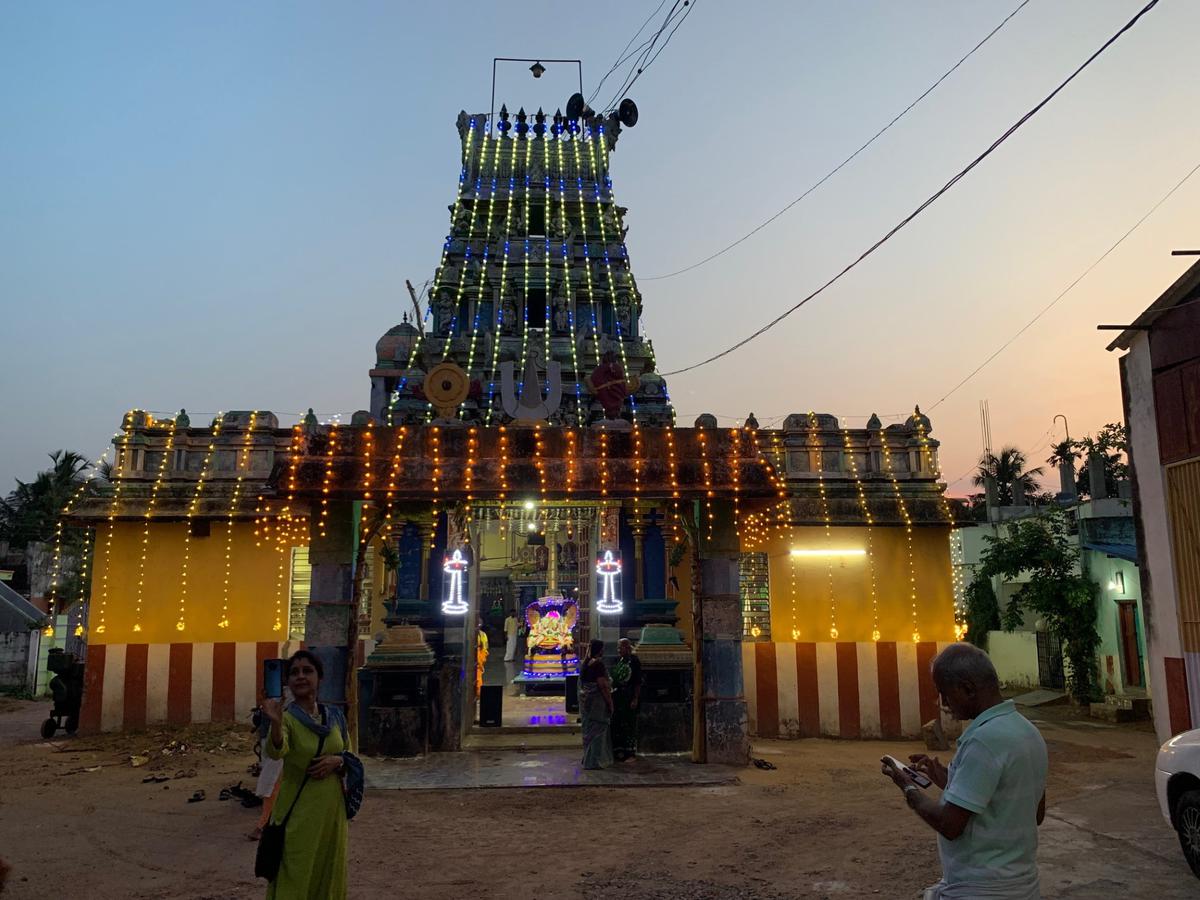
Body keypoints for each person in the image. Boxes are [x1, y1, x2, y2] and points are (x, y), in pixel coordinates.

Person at [881, 643, 1047, 900]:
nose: (943, 703)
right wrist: (947, 779)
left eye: (944, 693)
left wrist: (907, 786)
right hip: (1022, 886)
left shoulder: (984, 740)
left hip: (982, 889)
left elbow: (950, 824)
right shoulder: (1026, 731)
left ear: (968, 689)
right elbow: (1029, 810)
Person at [260, 651, 349, 900]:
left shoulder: (335, 718)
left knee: (328, 872)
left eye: (307, 671)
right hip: (298, 815)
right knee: (296, 875)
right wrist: (275, 724)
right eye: (294, 672)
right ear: (287, 682)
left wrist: (337, 760)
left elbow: (351, 757)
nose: (301, 676)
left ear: (319, 678)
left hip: (332, 814)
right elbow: (277, 751)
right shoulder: (287, 719)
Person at [579, 639, 614, 770]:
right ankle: (595, 761)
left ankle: (588, 759)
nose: (604, 651)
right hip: (597, 704)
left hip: (587, 703)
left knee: (589, 731)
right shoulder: (598, 665)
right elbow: (603, 686)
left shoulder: (586, 663)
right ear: (599, 650)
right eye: (602, 648)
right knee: (598, 732)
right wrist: (610, 703)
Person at [610, 638, 643, 761]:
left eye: (621, 647)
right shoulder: (619, 660)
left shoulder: (634, 661)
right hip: (618, 697)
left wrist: (635, 698)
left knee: (628, 724)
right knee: (617, 723)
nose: (619, 650)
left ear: (628, 647)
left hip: (628, 696)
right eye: (618, 647)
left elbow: (637, 681)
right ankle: (619, 751)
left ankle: (630, 753)